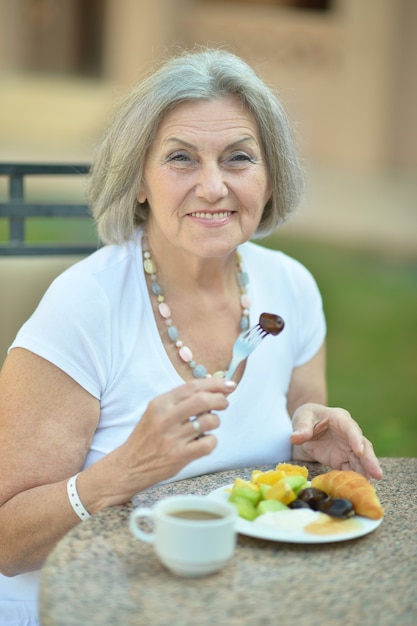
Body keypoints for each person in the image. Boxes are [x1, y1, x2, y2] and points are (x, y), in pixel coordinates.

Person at [0, 48, 382, 625]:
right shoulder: (85, 306)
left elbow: (301, 416)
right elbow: (7, 542)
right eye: (181, 158)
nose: (213, 187)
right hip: (80, 606)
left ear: (270, 175)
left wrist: (309, 437)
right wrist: (123, 471)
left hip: (234, 602)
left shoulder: (292, 288)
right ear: (140, 181)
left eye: (238, 159)